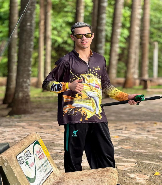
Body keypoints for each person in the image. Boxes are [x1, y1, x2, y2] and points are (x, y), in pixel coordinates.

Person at [42, 22, 140, 173]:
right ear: (72, 37)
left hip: (97, 116)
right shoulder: (66, 61)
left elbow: (107, 86)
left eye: (87, 35)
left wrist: (127, 97)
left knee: (106, 155)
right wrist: (68, 86)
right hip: (74, 117)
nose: (84, 39)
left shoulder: (100, 60)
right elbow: (47, 84)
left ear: (92, 36)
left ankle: (109, 183)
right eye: (79, 36)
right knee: (73, 159)